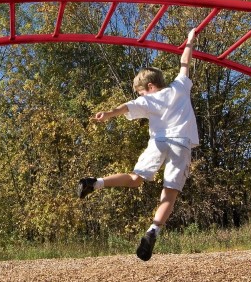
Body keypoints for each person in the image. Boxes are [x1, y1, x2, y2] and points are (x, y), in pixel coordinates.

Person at [77, 28, 199, 262]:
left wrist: (109, 114)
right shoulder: (180, 87)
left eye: (141, 91)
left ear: (150, 87)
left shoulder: (148, 100)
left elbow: (126, 107)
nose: (141, 95)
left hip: (159, 142)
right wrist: (190, 41)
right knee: (170, 192)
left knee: (135, 179)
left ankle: (95, 183)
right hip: (181, 145)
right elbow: (185, 63)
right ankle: (153, 230)